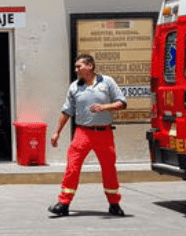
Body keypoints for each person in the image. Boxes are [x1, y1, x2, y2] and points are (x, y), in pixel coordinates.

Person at [48, 54, 127, 217]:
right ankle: (63, 204)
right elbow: (66, 111)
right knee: (72, 167)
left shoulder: (107, 82)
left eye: (79, 66)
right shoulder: (74, 87)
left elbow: (122, 103)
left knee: (109, 169)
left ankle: (114, 204)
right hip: (82, 133)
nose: (76, 70)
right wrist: (57, 132)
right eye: (75, 67)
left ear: (90, 66)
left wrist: (104, 107)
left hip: (104, 134)